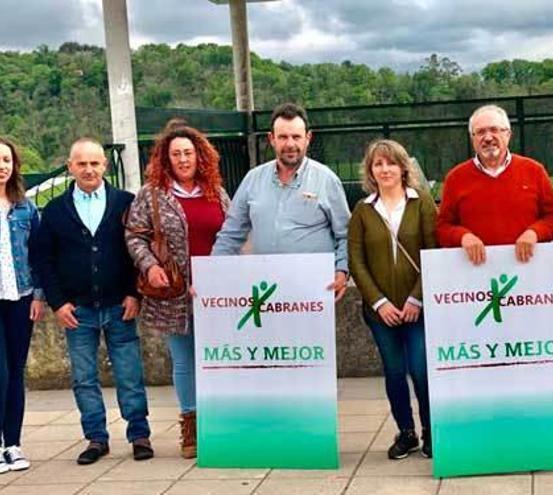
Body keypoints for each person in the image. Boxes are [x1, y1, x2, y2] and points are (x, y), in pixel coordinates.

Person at [33, 137, 152, 465]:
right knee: (83, 378)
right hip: (77, 310)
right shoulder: (55, 210)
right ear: (70, 167)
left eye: (94, 163)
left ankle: (139, 434)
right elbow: (44, 260)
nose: (88, 169)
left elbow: (138, 250)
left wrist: (135, 293)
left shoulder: (126, 203)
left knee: (129, 373)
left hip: (120, 305)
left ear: (105, 165)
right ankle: (96, 438)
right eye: (81, 163)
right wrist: (58, 303)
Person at [125, 124, 229, 459]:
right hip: (174, 293)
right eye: (176, 154)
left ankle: (222, 421)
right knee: (184, 360)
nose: (183, 159)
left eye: (188, 152)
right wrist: (149, 265)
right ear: (165, 159)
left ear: (200, 156)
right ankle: (191, 425)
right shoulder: (151, 194)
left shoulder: (216, 192)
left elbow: (234, 232)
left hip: (217, 292)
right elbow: (134, 235)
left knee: (219, 359)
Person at [348, 139, 436, 459]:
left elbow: (434, 252)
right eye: (378, 164)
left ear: (403, 167)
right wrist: (379, 303)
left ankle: (431, 431)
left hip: (418, 310)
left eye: (391, 163)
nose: (385, 169)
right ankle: (407, 432)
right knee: (395, 372)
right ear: (370, 171)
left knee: (421, 370)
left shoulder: (422, 203)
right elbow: (356, 260)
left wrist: (417, 299)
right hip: (380, 313)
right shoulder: (362, 210)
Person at [211, 103, 350, 300]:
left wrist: (342, 270)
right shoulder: (253, 179)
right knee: (270, 333)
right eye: (283, 137)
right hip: (265, 289)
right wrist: (211, 275)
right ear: (271, 139)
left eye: (296, 137)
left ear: (308, 138)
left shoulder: (327, 180)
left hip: (313, 290)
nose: (290, 144)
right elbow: (231, 234)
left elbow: (345, 234)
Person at [436, 104, 553, 263]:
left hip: (530, 271)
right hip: (475, 274)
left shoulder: (534, 171)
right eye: (480, 132)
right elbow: (443, 228)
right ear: (472, 138)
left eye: (494, 130)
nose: (488, 137)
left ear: (508, 134)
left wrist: (534, 233)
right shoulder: (455, 178)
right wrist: (463, 237)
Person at [0, 138, 44, 472]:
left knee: (16, 371)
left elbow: (39, 254)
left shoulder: (25, 208)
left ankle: (12, 445)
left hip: (21, 298)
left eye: (6, 160)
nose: (2, 166)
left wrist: (39, 296)